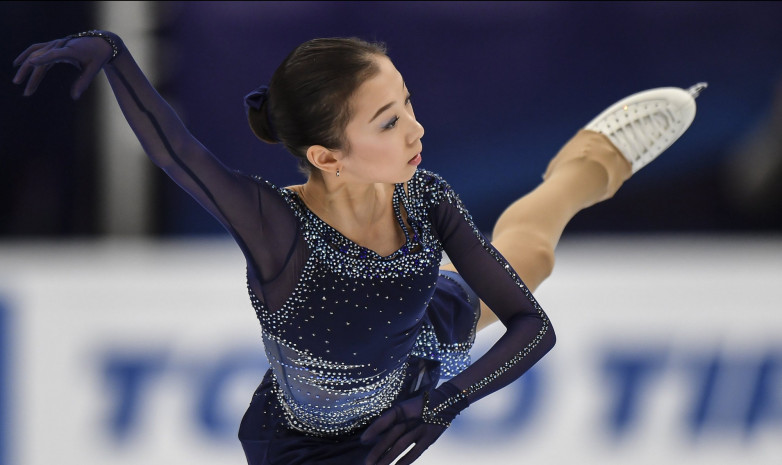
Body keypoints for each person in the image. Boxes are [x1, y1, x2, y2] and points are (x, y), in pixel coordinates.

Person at [12, 30, 703, 465]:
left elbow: (533, 327)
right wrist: (116, 57)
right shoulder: (274, 225)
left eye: (407, 103)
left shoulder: (424, 197)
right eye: (388, 120)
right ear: (327, 155)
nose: (416, 129)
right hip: (305, 440)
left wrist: (444, 402)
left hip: (415, 358)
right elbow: (179, 154)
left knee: (531, 256)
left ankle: (589, 162)